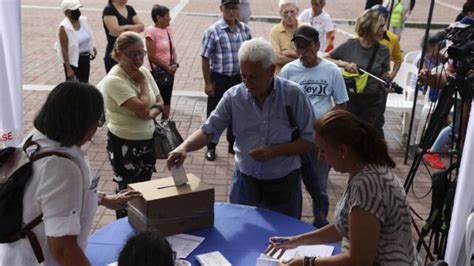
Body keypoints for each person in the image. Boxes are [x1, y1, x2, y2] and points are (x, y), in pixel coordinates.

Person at [167, 38, 315, 219]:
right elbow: (209, 130)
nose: (247, 82)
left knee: (283, 238)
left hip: (284, 184)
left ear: (271, 70)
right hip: (245, 183)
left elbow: (309, 139)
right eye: (243, 75)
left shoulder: (294, 95)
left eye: (254, 76)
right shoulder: (233, 96)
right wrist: (184, 147)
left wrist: (274, 151)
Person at [0, 81, 142, 266]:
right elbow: (63, 249)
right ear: (82, 123)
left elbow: (45, 195)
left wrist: (102, 198)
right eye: (97, 120)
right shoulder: (62, 167)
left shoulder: (35, 140)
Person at [265, 110, 419, 265]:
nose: (320, 156)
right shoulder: (363, 171)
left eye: (323, 150)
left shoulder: (366, 185)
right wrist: (296, 241)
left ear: (343, 150)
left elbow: (359, 261)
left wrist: (305, 263)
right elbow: (344, 226)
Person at [279, 25, 348, 227]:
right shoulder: (288, 71)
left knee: (318, 186)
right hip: (293, 139)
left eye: (306, 47)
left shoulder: (331, 70)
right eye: (299, 47)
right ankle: (291, 224)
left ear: (318, 45)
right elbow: (278, 103)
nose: (302, 52)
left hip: (321, 142)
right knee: (290, 184)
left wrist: (324, 128)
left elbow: (342, 104)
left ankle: (319, 222)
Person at [102, 31, 163, 218]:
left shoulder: (143, 71)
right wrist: (143, 83)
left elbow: (159, 102)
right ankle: (124, 230)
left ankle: (141, 224)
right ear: (119, 54)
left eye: (141, 53)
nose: (138, 59)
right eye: (132, 54)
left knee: (144, 189)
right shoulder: (114, 80)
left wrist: (148, 113)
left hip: (147, 142)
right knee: (127, 194)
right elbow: (144, 107)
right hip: (124, 144)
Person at [201, 0, 252, 161]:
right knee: (214, 114)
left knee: (238, 112)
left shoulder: (244, 30)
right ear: (221, 8)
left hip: (239, 79)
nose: (231, 11)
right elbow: (205, 58)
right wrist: (208, 83)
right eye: (228, 7)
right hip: (219, 78)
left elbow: (249, 55)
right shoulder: (213, 31)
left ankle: (232, 143)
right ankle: (210, 147)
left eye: (234, 7)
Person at [326, 9, 390, 137]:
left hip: (372, 102)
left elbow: (384, 76)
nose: (384, 29)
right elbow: (326, 58)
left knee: (364, 135)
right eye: (381, 26)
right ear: (370, 25)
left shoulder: (383, 50)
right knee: (349, 134)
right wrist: (345, 64)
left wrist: (388, 84)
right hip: (351, 100)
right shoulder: (350, 45)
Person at [145, 4, 178, 119]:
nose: (170, 18)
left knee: (167, 100)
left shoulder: (168, 29)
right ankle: (151, 123)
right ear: (159, 18)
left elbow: (172, 48)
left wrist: (175, 64)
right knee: (156, 100)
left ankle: (165, 124)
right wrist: (167, 67)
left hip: (169, 71)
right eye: (167, 16)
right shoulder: (151, 32)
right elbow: (152, 55)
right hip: (158, 72)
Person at [55, 0, 97, 83]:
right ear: (67, 12)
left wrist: (92, 48)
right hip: (73, 62)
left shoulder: (83, 21)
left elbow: (89, 35)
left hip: (85, 58)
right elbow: (64, 50)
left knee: (85, 84)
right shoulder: (64, 27)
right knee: (74, 88)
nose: (77, 12)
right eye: (74, 10)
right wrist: (68, 68)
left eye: (78, 9)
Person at [102, 0, 144, 73]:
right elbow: (115, 31)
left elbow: (141, 27)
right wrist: (133, 28)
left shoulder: (129, 8)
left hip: (131, 54)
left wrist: (124, 27)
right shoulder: (109, 10)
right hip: (115, 54)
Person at [270, 0, 304, 74]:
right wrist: (299, 57)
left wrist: (285, 53)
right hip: (282, 74)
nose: (289, 15)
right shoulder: (275, 31)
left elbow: (309, 55)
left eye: (292, 11)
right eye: (285, 12)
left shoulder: (305, 28)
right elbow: (276, 59)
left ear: (297, 11)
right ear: (280, 13)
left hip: (302, 73)